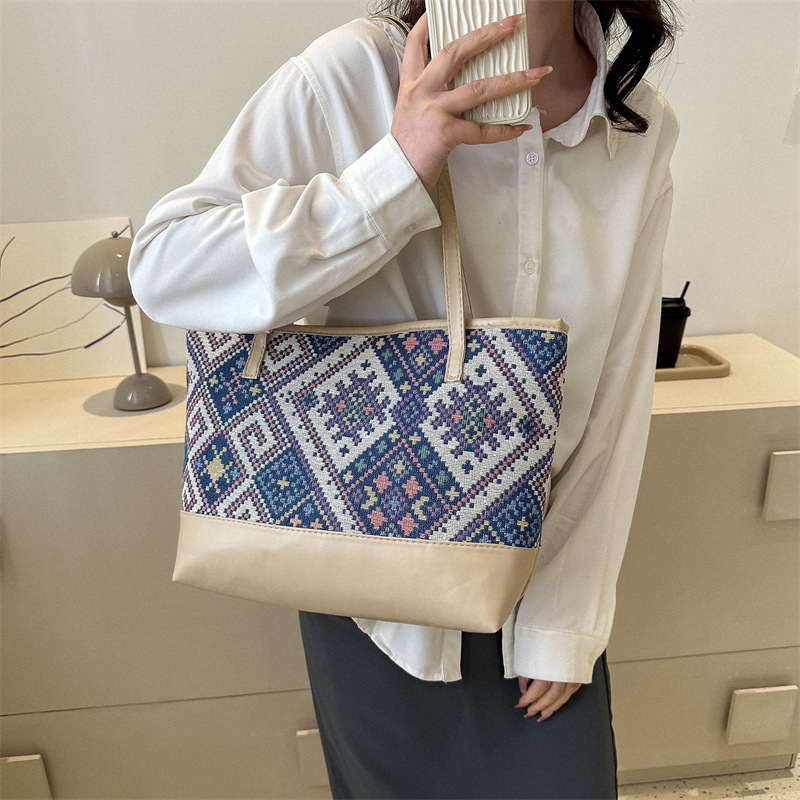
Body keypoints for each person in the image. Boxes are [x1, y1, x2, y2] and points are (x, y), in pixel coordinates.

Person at [129, 0, 680, 796]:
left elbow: (615, 396)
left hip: (541, 575)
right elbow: (165, 268)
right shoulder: (354, 73)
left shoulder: (636, 124)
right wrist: (394, 171)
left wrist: (565, 623)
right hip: (368, 586)